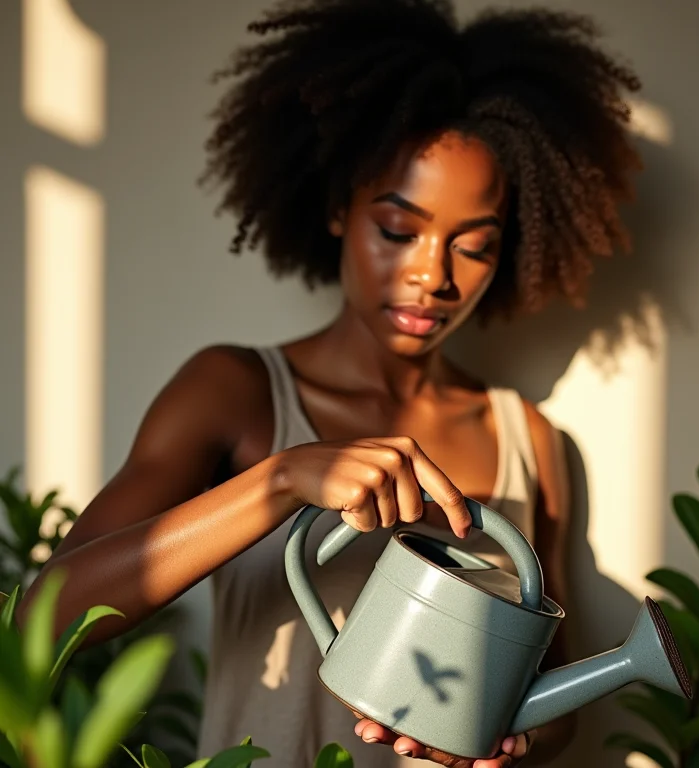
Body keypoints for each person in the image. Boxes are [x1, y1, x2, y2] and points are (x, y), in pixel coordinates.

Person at [18, 0, 643, 765]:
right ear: (338, 208)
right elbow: (39, 619)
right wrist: (279, 481)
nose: (432, 275)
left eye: (473, 246)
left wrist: (507, 737)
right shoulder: (237, 391)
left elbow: (550, 697)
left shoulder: (528, 440)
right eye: (398, 230)